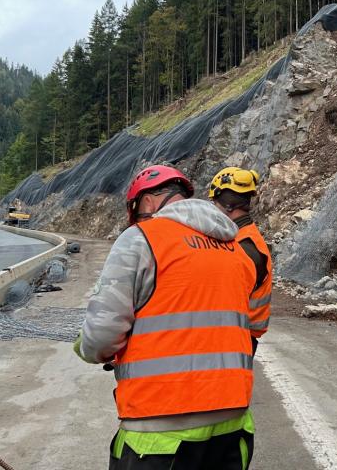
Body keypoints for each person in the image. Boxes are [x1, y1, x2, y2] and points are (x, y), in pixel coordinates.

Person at [75, 164, 257, 470]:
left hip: (160, 428)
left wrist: (86, 347)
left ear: (145, 201)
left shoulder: (140, 239)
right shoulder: (235, 249)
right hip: (232, 422)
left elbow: (101, 335)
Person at [207, 167, 272, 353]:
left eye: (214, 204)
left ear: (227, 207)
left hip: (235, 339)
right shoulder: (242, 237)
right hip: (239, 336)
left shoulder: (243, 248)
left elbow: (220, 298)